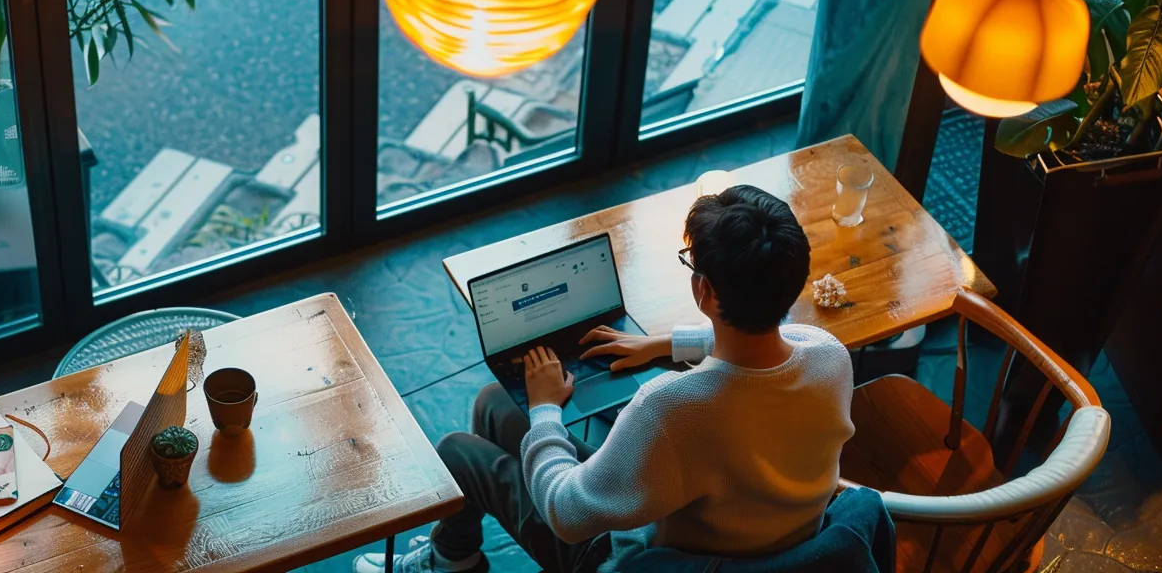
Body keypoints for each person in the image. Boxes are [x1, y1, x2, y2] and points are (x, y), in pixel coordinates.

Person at [356, 184, 856, 573]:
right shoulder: (829, 357)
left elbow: (568, 514)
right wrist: (664, 344)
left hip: (643, 561)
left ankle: (451, 556)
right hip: (771, 543)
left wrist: (545, 409)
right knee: (493, 403)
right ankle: (454, 554)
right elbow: (772, 342)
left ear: (703, 290)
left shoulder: (674, 407)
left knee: (457, 453)